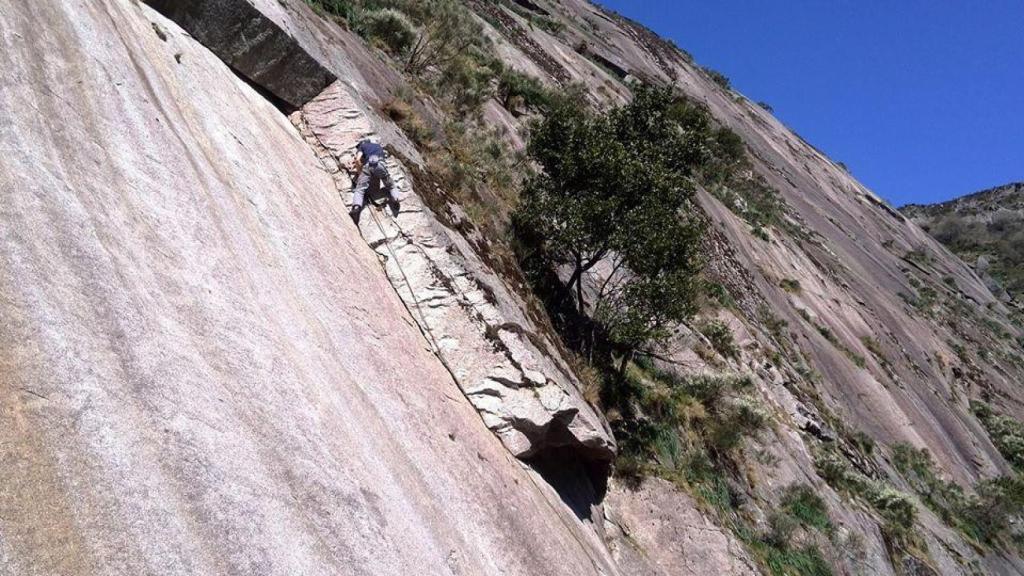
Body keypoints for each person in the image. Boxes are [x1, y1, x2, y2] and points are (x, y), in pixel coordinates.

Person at [349, 138, 400, 224]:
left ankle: (356, 209)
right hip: (380, 164)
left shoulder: (362, 146)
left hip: (368, 166)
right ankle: (395, 199)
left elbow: (358, 160)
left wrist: (360, 172)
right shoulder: (378, 146)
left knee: (360, 190)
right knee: (391, 186)